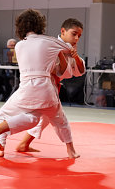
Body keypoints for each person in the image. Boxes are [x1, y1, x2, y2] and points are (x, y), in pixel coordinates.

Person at [0, 9, 78, 159]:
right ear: (40, 24)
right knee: (60, 121)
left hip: (26, 89)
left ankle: (0, 147)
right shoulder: (48, 41)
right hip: (46, 90)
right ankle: (71, 150)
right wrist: (69, 51)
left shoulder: (19, 45)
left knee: (6, 114)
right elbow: (68, 48)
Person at [16, 18, 85, 153]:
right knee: (55, 119)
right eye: (74, 34)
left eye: (79, 36)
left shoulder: (69, 48)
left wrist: (75, 57)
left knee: (44, 118)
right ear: (63, 31)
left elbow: (79, 71)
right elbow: (55, 70)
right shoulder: (50, 44)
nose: (76, 38)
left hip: (49, 87)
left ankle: (22, 143)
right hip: (40, 85)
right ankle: (70, 149)